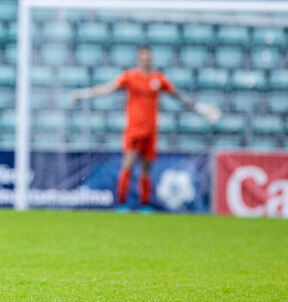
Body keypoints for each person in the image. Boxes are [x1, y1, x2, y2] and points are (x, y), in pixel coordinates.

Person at [70, 45, 220, 212]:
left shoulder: (158, 79)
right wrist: (83, 94)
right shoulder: (130, 76)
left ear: (151, 59)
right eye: (143, 57)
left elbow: (178, 96)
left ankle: (144, 205)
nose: (146, 60)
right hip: (134, 129)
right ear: (138, 59)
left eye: (148, 57)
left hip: (151, 131)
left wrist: (201, 108)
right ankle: (122, 203)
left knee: (146, 169)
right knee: (128, 165)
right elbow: (107, 88)